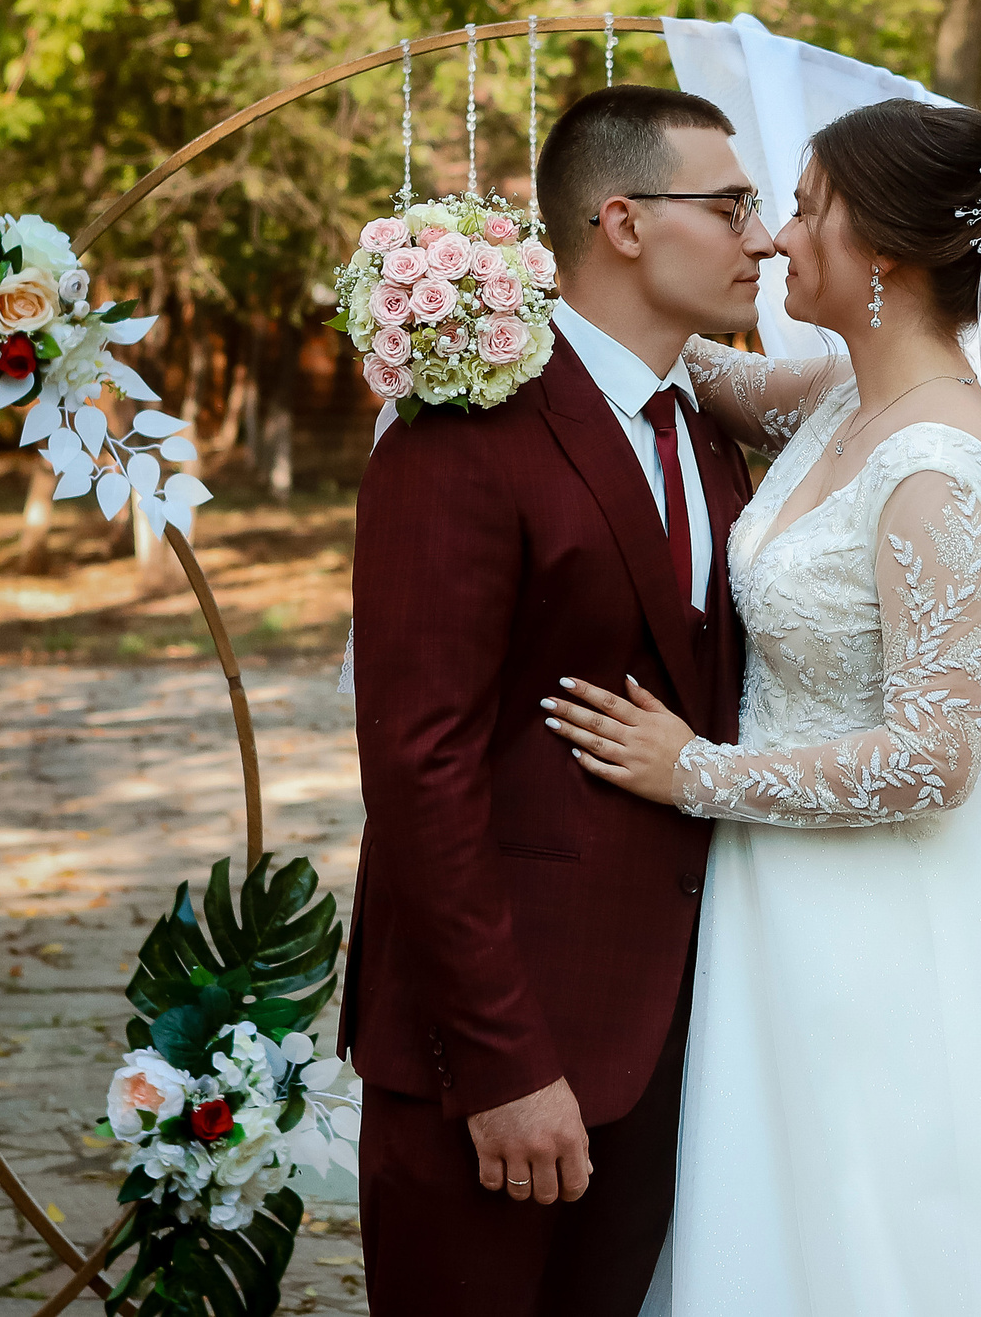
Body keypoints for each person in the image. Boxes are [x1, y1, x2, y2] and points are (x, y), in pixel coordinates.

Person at [543, 98, 981, 1314]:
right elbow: (690, 370)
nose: (776, 238)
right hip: (777, 897)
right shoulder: (845, 399)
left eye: (804, 210)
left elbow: (935, 758)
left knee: (885, 1238)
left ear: (883, 251)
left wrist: (694, 772)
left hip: (879, 919)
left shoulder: (937, 464)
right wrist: (505, 287)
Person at [338, 84, 775, 1316]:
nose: (761, 239)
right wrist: (501, 1065)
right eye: (730, 206)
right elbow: (418, 766)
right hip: (495, 1052)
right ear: (622, 222)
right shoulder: (462, 429)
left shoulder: (703, 428)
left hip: (670, 1035)